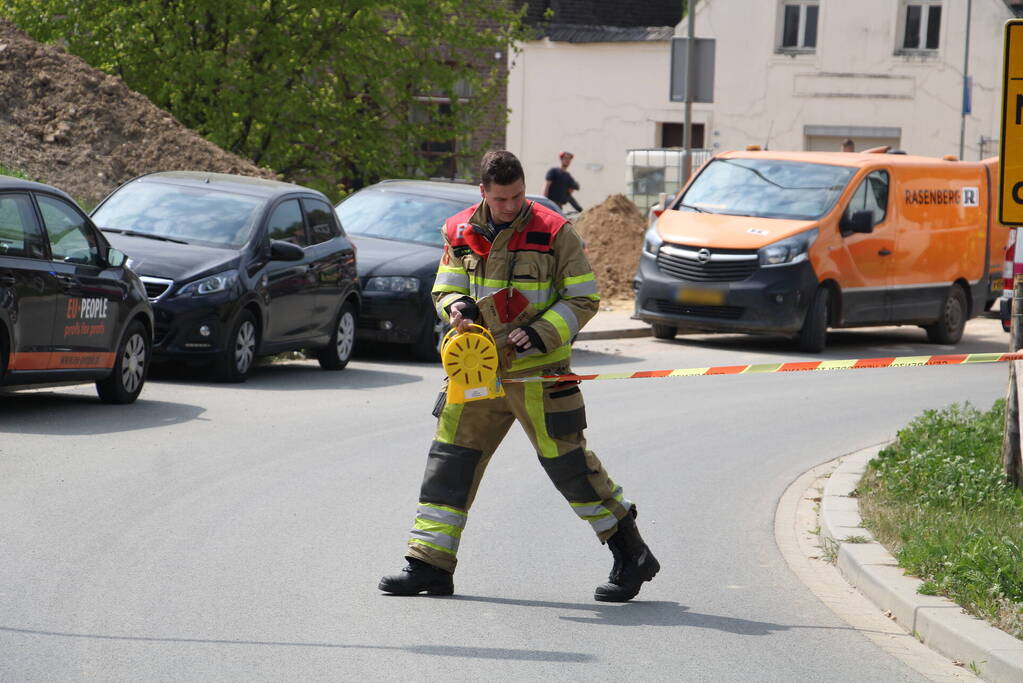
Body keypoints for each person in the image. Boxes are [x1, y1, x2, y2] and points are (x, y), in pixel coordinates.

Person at [378, 150, 658, 602]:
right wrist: (455, 306)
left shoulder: (554, 231)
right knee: (449, 466)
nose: (511, 206)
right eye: (502, 198)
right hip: (476, 374)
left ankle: (632, 553)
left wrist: (540, 332)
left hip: (539, 376)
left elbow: (584, 298)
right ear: (483, 192)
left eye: (518, 196)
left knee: (571, 470)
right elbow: (446, 283)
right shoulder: (459, 230)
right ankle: (428, 564)